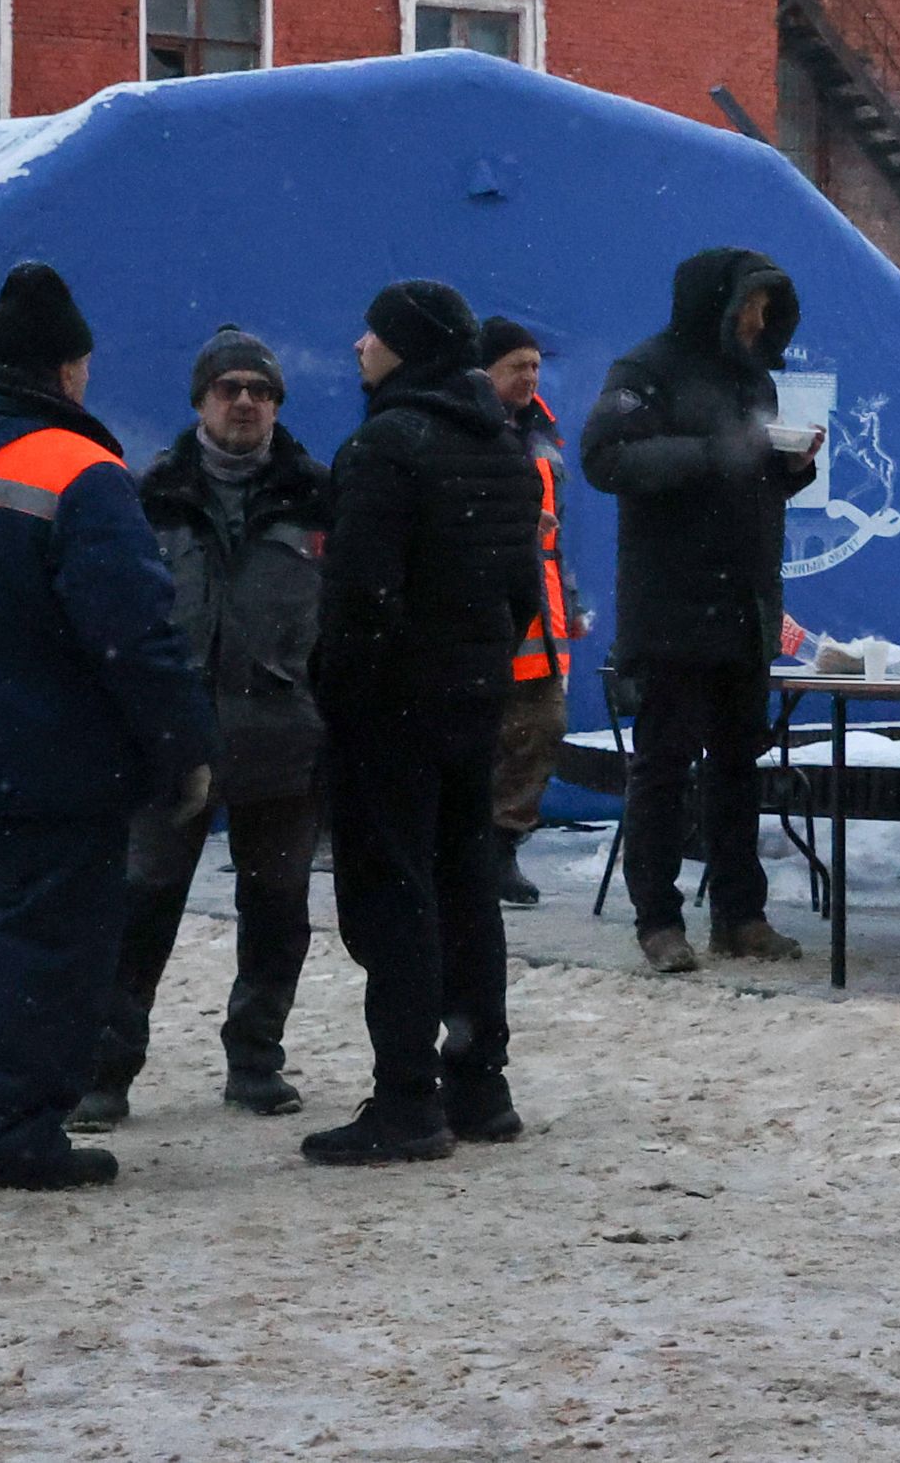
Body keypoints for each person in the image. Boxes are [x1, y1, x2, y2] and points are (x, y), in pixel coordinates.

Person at [0, 262, 210, 1192]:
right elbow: (137, 632)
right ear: (67, 370)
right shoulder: (79, 469)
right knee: (49, 947)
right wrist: (183, 747)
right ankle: (8, 1135)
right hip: (54, 761)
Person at [305, 280, 544, 1165]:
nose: (361, 346)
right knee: (465, 884)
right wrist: (472, 663)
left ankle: (406, 1096)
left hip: (390, 709)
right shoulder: (504, 446)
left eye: (374, 334)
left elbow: (361, 593)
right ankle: (479, 1081)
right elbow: (522, 590)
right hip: (471, 699)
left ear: (405, 347)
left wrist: (344, 691)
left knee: (392, 893)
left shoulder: (387, 444)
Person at [79, 325, 331, 1127]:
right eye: (231, 388)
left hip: (285, 743)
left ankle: (256, 1059)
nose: (247, 402)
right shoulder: (147, 495)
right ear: (200, 401)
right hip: (171, 746)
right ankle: (105, 1071)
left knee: (277, 908)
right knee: (141, 906)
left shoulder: (319, 496)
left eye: (261, 390)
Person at [582, 247, 820, 977]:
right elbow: (606, 458)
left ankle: (740, 916)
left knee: (738, 768)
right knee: (662, 766)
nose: (759, 320)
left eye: (767, 308)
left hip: (745, 603)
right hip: (671, 602)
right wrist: (709, 453)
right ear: (714, 302)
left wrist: (788, 469)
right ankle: (658, 919)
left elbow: (750, 478)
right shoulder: (645, 368)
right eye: (751, 304)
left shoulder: (755, 379)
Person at [478, 317, 590, 909]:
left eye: (535, 366)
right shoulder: (468, 430)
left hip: (541, 614)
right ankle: (469, 851)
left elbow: (557, 530)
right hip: (483, 609)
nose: (530, 377)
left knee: (541, 731)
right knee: (481, 738)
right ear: (485, 371)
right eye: (517, 366)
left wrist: (567, 602)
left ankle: (502, 848)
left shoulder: (543, 433)